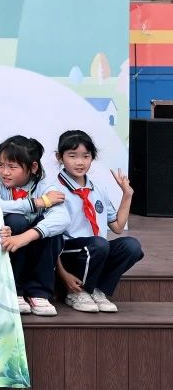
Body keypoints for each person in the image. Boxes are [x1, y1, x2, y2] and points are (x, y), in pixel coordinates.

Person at [47, 130, 142, 313]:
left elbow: (117, 227)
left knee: (131, 246)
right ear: (60, 157)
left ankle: (97, 289)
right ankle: (76, 293)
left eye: (86, 156)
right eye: (72, 156)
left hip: (96, 250)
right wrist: (62, 273)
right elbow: (49, 237)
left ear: (92, 157)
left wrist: (127, 194)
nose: (80, 162)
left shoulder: (97, 188)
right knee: (99, 244)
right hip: (68, 252)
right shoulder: (53, 189)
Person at [0, 135, 66, 317]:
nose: (5, 172)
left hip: (33, 248)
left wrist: (25, 237)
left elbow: (62, 218)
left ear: (33, 167)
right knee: (16, 220)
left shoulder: (46, 186)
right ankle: (15, 290)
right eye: (1, 165)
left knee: (52, 230)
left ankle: (39, 293)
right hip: (7, 247)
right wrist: (36, 203)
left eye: (12, 167)